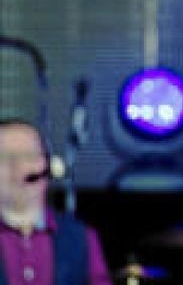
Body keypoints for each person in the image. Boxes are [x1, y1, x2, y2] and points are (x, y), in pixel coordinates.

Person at [0, 118, 111, 285]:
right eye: (5, 157)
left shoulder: (81, 237)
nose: (20, 166)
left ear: (47, 165)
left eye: (29, 155)